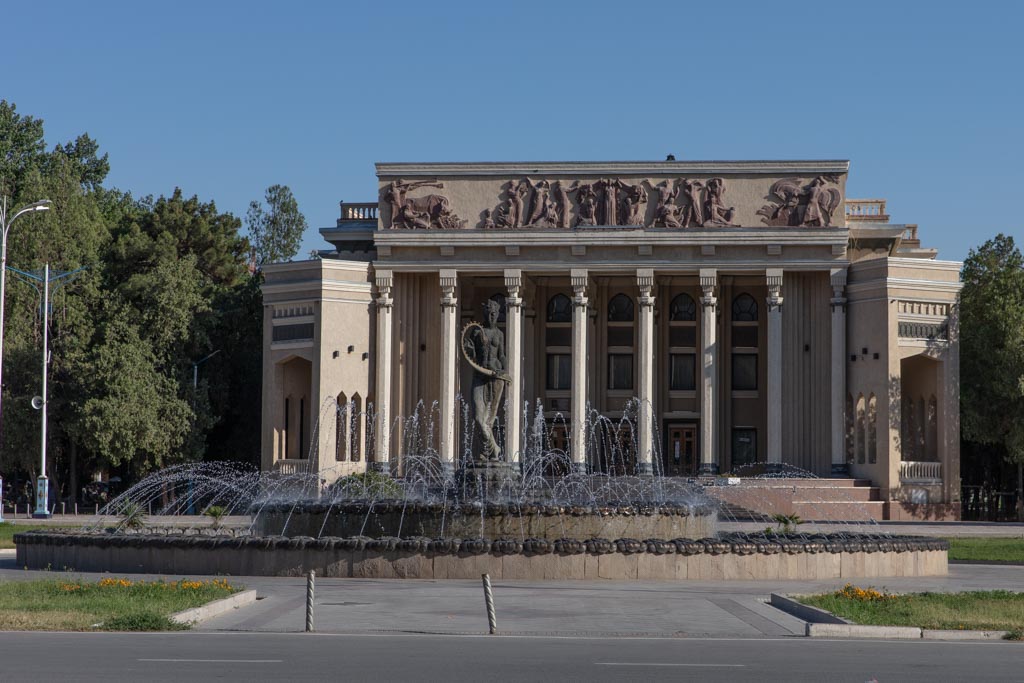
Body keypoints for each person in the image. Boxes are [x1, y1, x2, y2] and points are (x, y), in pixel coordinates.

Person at [462, 300, 509, 460]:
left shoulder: (499, 334)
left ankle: (486, 452)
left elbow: (501, 355)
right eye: (489, 313)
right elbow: (473, 355)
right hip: (480, 376)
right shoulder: (476, 332)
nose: (491, 316)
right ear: (484, 314)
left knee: (488, 420)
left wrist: (504, 371)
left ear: (498, 315)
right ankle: (494, 448)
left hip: (496, 378)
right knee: (478, 418)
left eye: (494, 313)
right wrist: (469, 349)